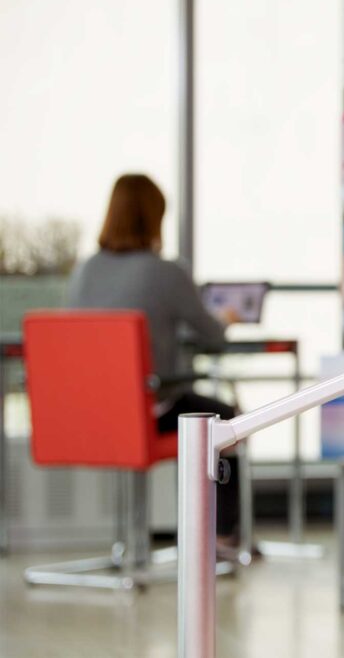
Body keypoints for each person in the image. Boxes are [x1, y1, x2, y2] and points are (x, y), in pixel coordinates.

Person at [67, 174, 242, 544]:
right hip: (146, 412)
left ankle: (144, 544)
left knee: (186, 407)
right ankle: (217, 540)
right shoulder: (165, 272)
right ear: (155, 218)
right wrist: (225, 318)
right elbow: (212, 334)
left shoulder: (83, 271)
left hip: (84, 416)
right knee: (220, 419)